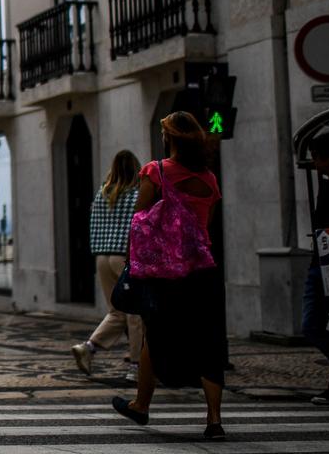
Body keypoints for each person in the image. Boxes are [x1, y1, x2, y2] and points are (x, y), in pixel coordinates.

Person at [111, 112, 225, 440]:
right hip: (203, 271)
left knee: (156, 336)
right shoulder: (209, 179)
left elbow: (139, 218)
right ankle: (214, 419)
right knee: (210, 342)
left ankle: (141, 405)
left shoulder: (156, 171)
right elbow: (207, 225)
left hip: (166, 273)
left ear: (170, 138)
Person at [72, 150, 143, 380]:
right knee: (135, 314)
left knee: (116, 312)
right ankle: (136, 366)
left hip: (101, 257)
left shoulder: (102, 193)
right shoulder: (136, 195)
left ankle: (88, 348)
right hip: (123, 257)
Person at [303, 131, 329, 405]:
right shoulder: (324, 185)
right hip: (319, 263)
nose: (314, 162)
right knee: (311, 325)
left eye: (316, 157)